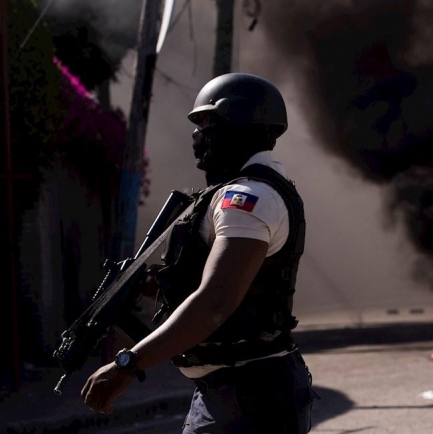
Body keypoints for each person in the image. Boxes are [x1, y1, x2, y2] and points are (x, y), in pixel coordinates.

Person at [81, 73, 315, 433]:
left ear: (242, 125)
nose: (197, 134)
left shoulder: (247, 200)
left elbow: (215, 302)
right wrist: (157, 285)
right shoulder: (242, 194)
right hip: (226, 392)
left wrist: (128, 364)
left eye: (208, 122)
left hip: (249, 396)